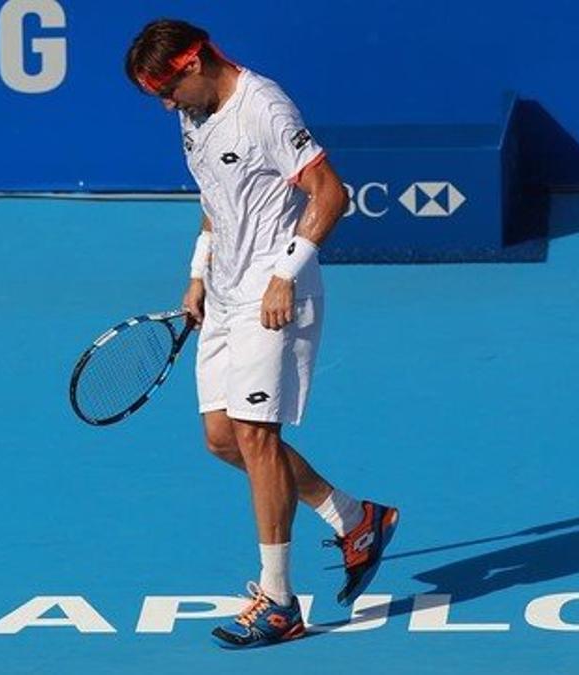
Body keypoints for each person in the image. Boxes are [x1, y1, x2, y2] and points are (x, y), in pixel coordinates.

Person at [125, 19, 399, 648]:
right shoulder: (191, 115)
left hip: (275, 293)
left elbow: (331, 191)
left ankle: (279, 601)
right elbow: (215, 198)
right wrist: (197, 273)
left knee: (256, 435)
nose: (166, 106)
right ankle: (356, 520)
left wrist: (286, 273)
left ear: (193, 62)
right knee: (223, 440)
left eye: (167, 90)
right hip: (221, 294)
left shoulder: (264, 109)